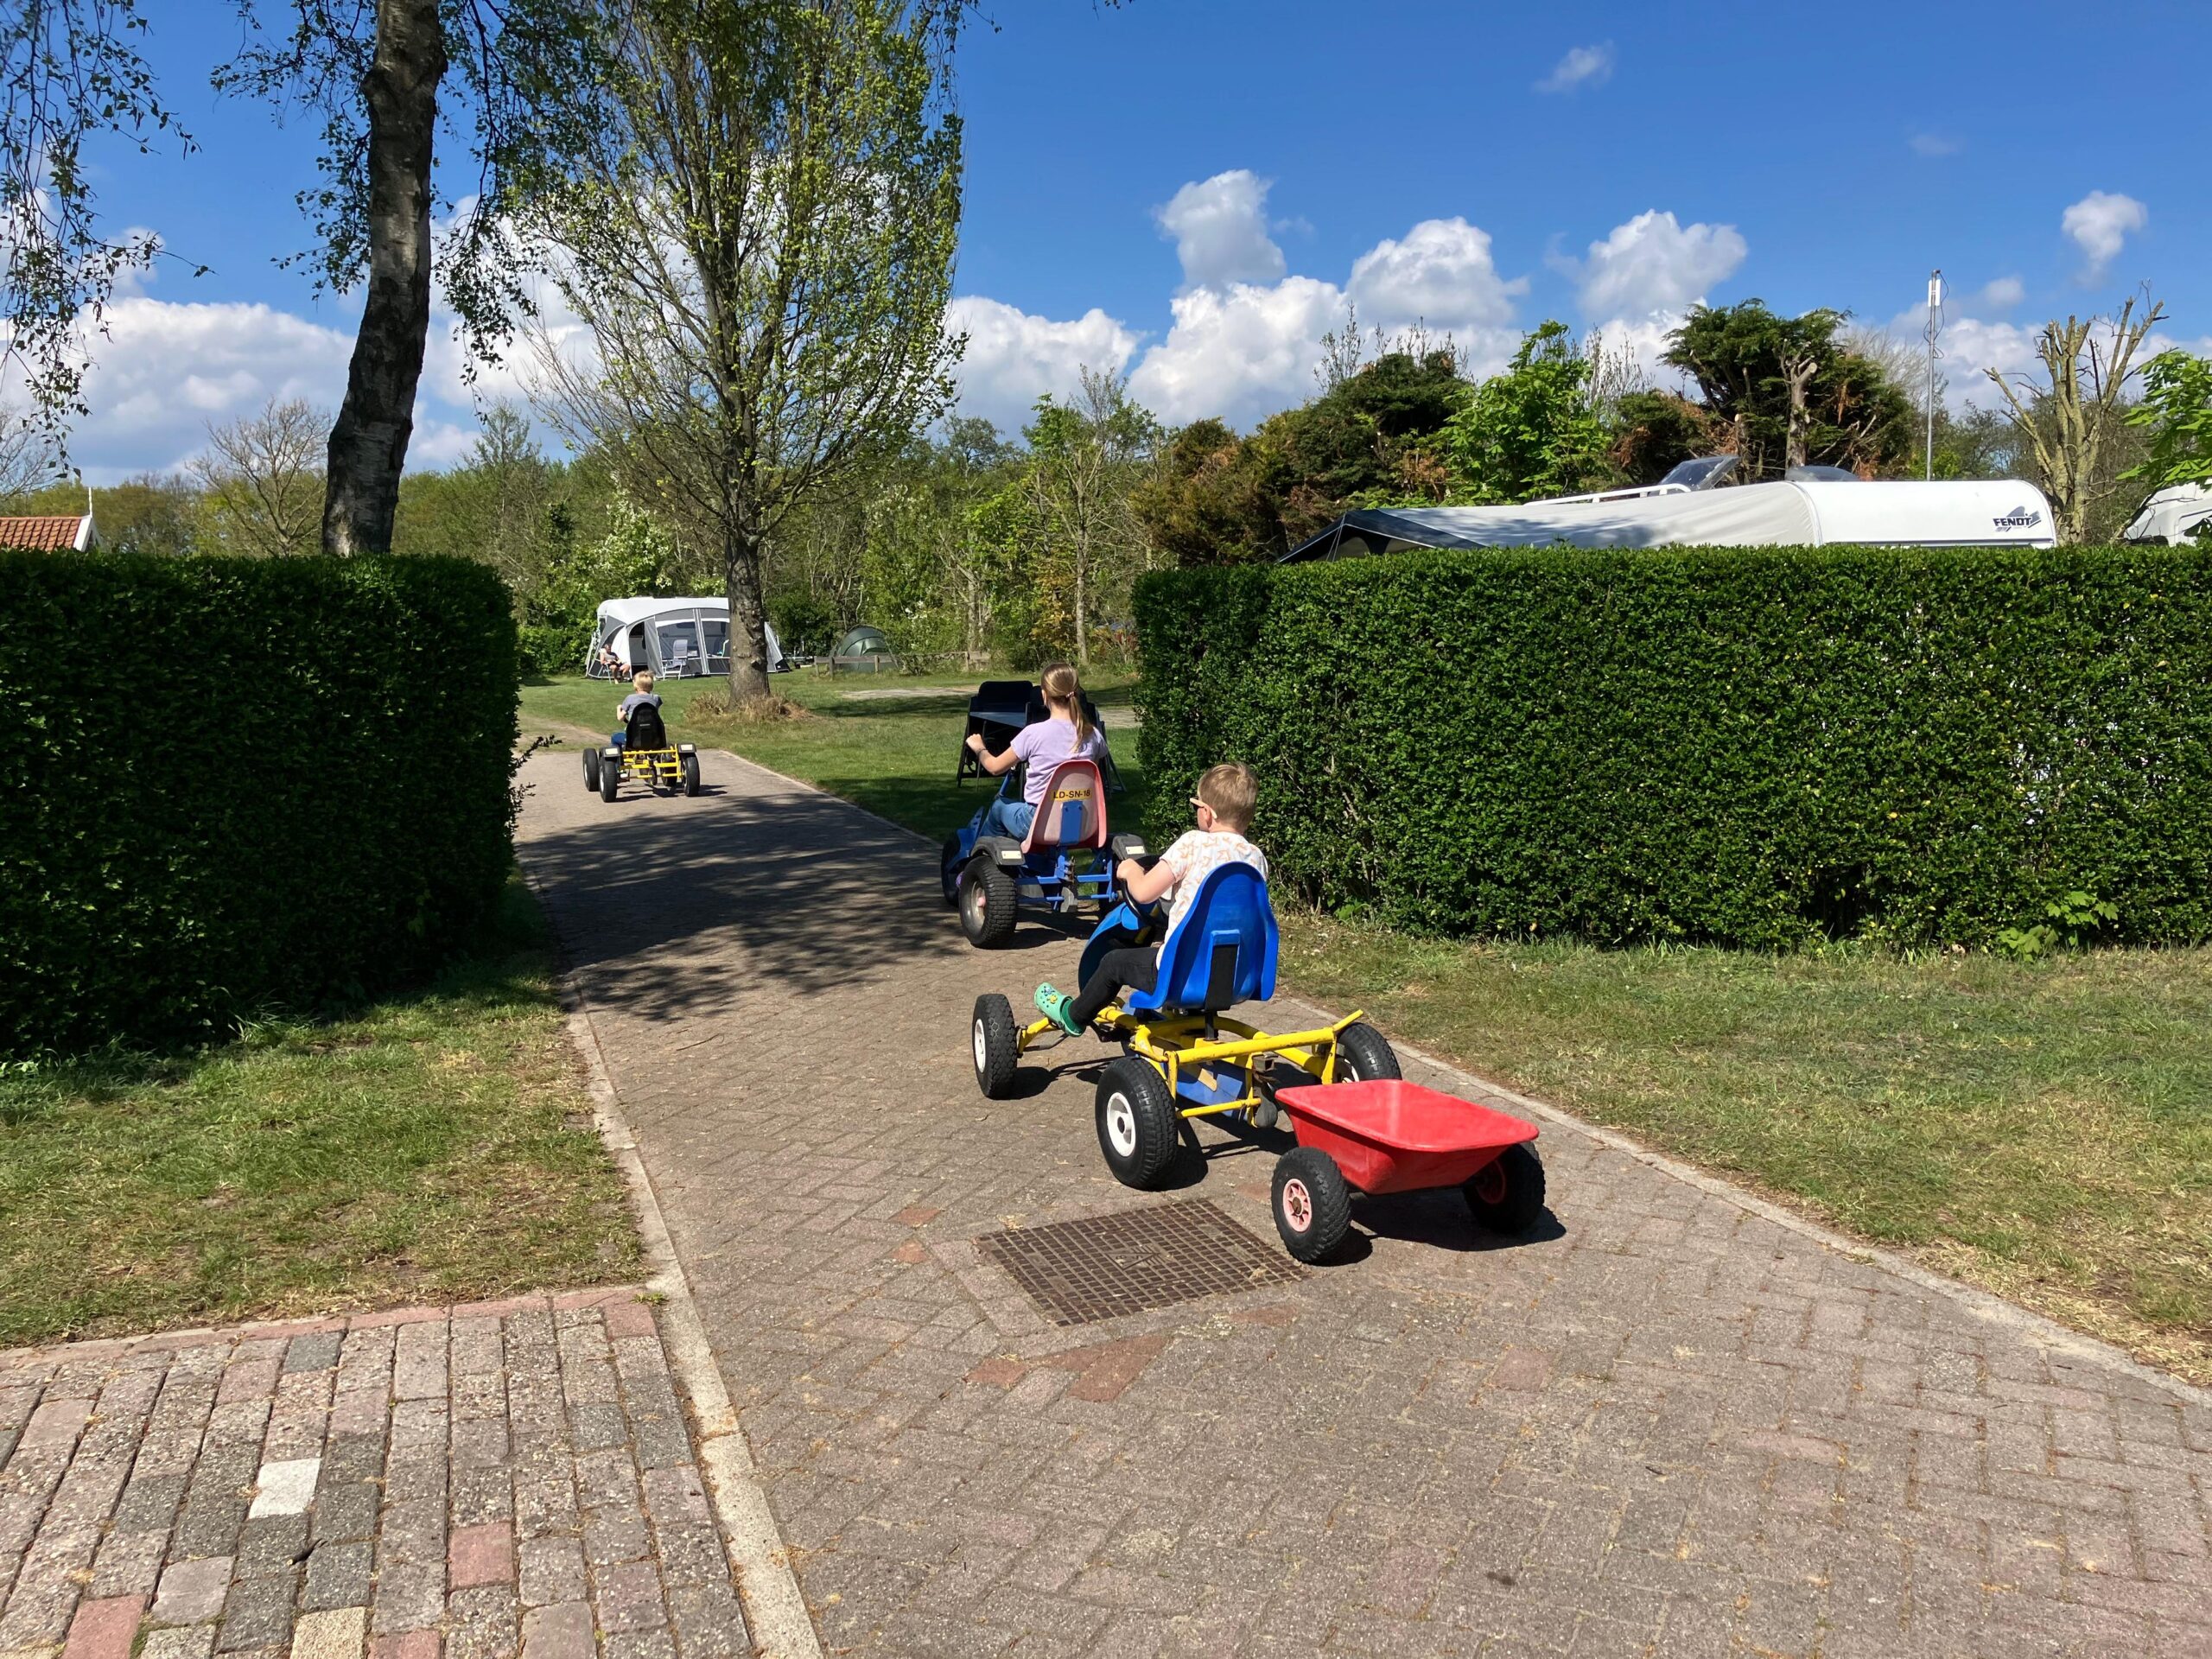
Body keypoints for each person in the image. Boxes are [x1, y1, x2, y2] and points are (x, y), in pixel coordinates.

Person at [1033, 760, 1268, 1034]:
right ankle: (1189, 1028)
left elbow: (1144, 892)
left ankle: (1073, 1016)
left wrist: (1131, 870)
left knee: (1113, 963)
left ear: (1206, 813)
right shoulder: (1255, 859)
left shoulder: (1192, 844)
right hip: (1236, 978)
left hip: (1179, 974)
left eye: (1196, 805)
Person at [962, 662, 1108, 842]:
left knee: (999, 807)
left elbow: (994, 767)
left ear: (1044, 695)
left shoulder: (1034, 734)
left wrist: (979, 747)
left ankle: (982, 856)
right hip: (1083, 822)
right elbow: (1092, 772)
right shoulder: (1092, 734)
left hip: (1038, 822)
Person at [613, 667, 661, 747]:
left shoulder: (630, 698)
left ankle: (619, 754)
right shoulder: (656, 698)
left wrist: (618, 708)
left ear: (636, 685)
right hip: (653, 737)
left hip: (633, 737)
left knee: (615, 737)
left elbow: (620, 718)